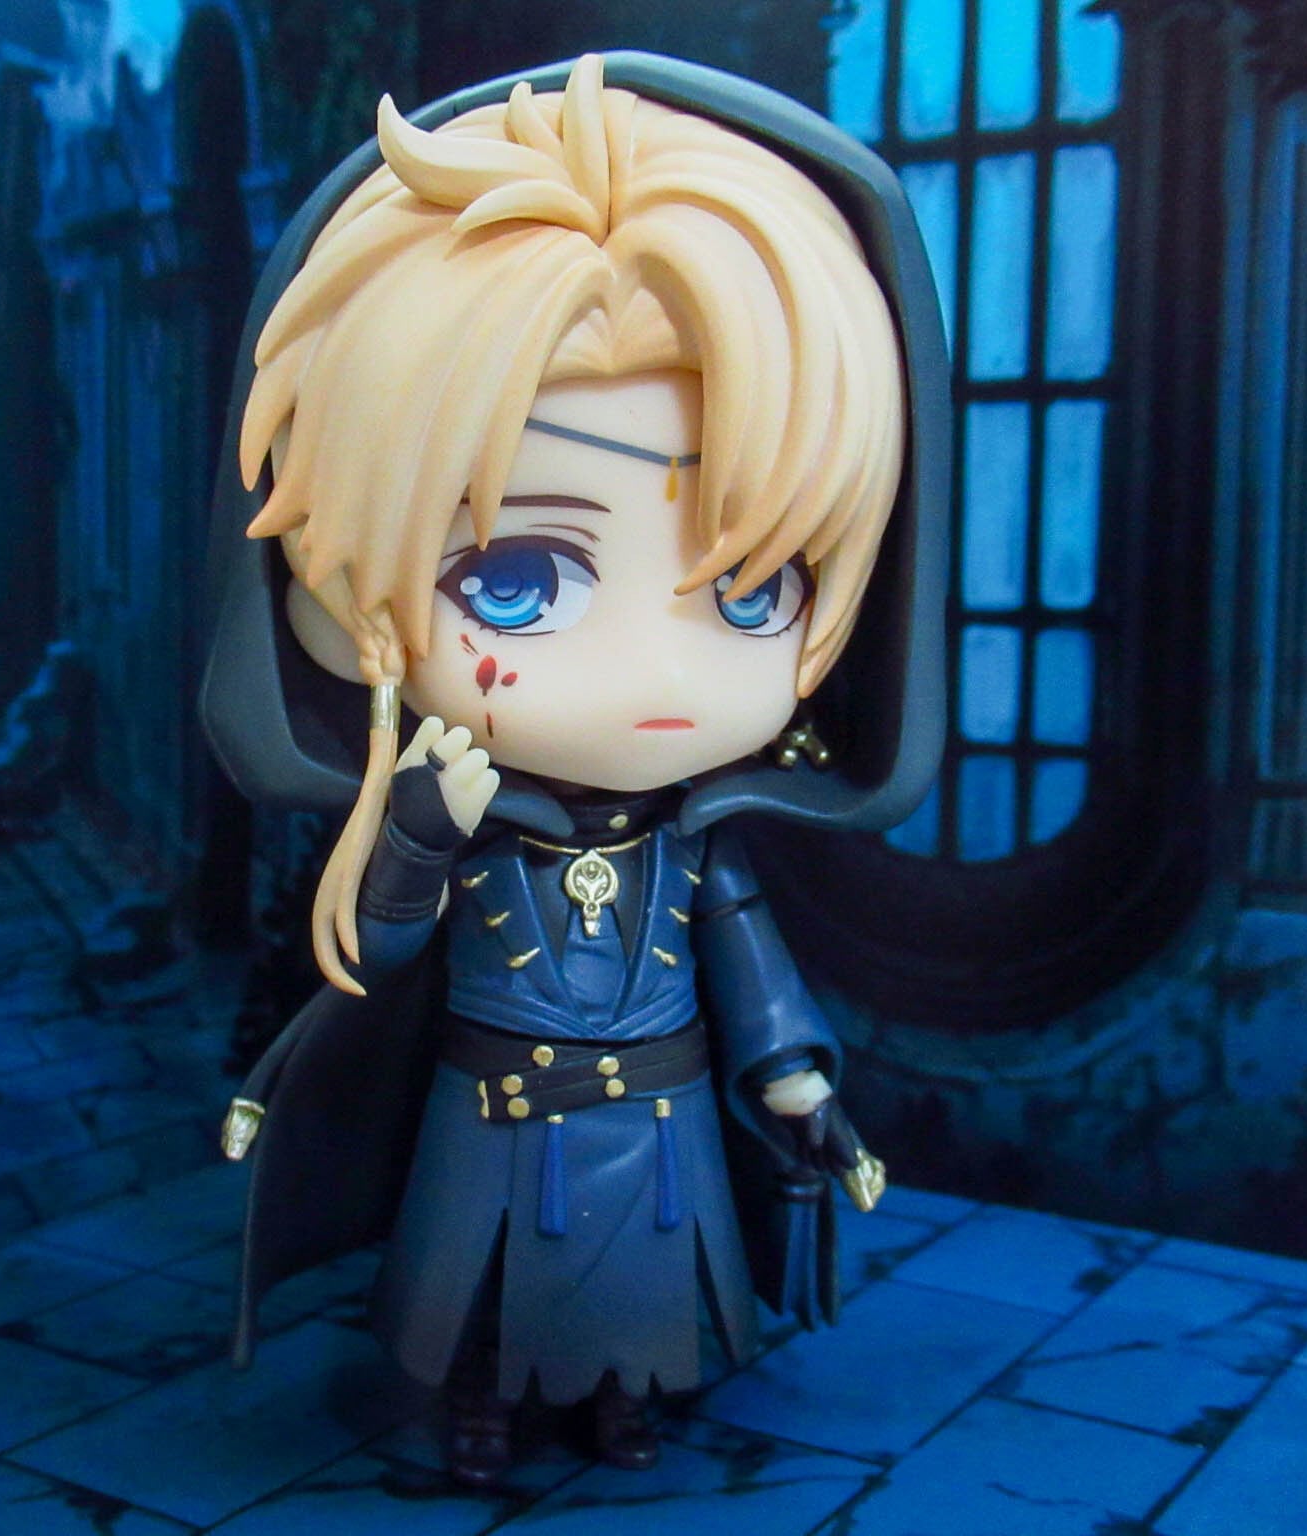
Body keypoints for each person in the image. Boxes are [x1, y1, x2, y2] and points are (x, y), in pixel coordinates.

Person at [201, 51, 951, 1489]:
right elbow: (377, 954)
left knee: (648, 1288)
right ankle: (483, 1402)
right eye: (519, 579)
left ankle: (626, 1400)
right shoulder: (469, 814)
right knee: (477, 1288)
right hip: (490, 1115)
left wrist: (795, 1078)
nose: (657, 675)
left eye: (753, 591)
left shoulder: (696, 843)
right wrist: (417, 834)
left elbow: (748, 968)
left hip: (660, 1116)